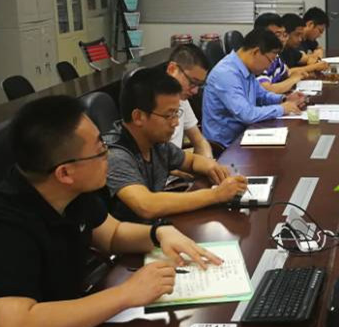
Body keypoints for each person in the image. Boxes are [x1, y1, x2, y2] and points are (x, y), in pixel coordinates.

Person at [0, 95, 220, 327]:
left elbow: (112, 234)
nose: (108, 155)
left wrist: (159, 234)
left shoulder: (70, 192)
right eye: (100, 150)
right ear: (65, 173)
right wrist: (127, 293)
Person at [106, 66, 247, 221]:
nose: (176, 122)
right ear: (138, 117)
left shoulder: (156, 143)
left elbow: (191, 161)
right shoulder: (115, 155)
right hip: (136, 234)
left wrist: (212, 167)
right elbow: (146, 205)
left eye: (176, 113)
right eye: (169, 115)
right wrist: (216, 195)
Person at [201, 28, 307, 150]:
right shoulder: (226, 74)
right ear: (256, 52)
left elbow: (262, 95)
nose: (269, 67)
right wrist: (282, 108)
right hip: (227, 146)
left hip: (246, 134)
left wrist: (284, 99)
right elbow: (247, 114)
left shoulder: (246, 68)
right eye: (270, 61)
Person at [164, 43, 213, 156]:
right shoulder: (152, 107)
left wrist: (208, 161)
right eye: (192, 82)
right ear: (172, 69)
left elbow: (200, 141)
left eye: (199, 85)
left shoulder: (181, 98)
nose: (195, 91)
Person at [254, 13, 310, 94]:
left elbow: (287, 72)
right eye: (278, 35)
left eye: (284, 35)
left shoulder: (275, 56)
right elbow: (267, 90)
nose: (283, 40)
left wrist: (298, 74)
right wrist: (293, 79)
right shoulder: (259, 57)